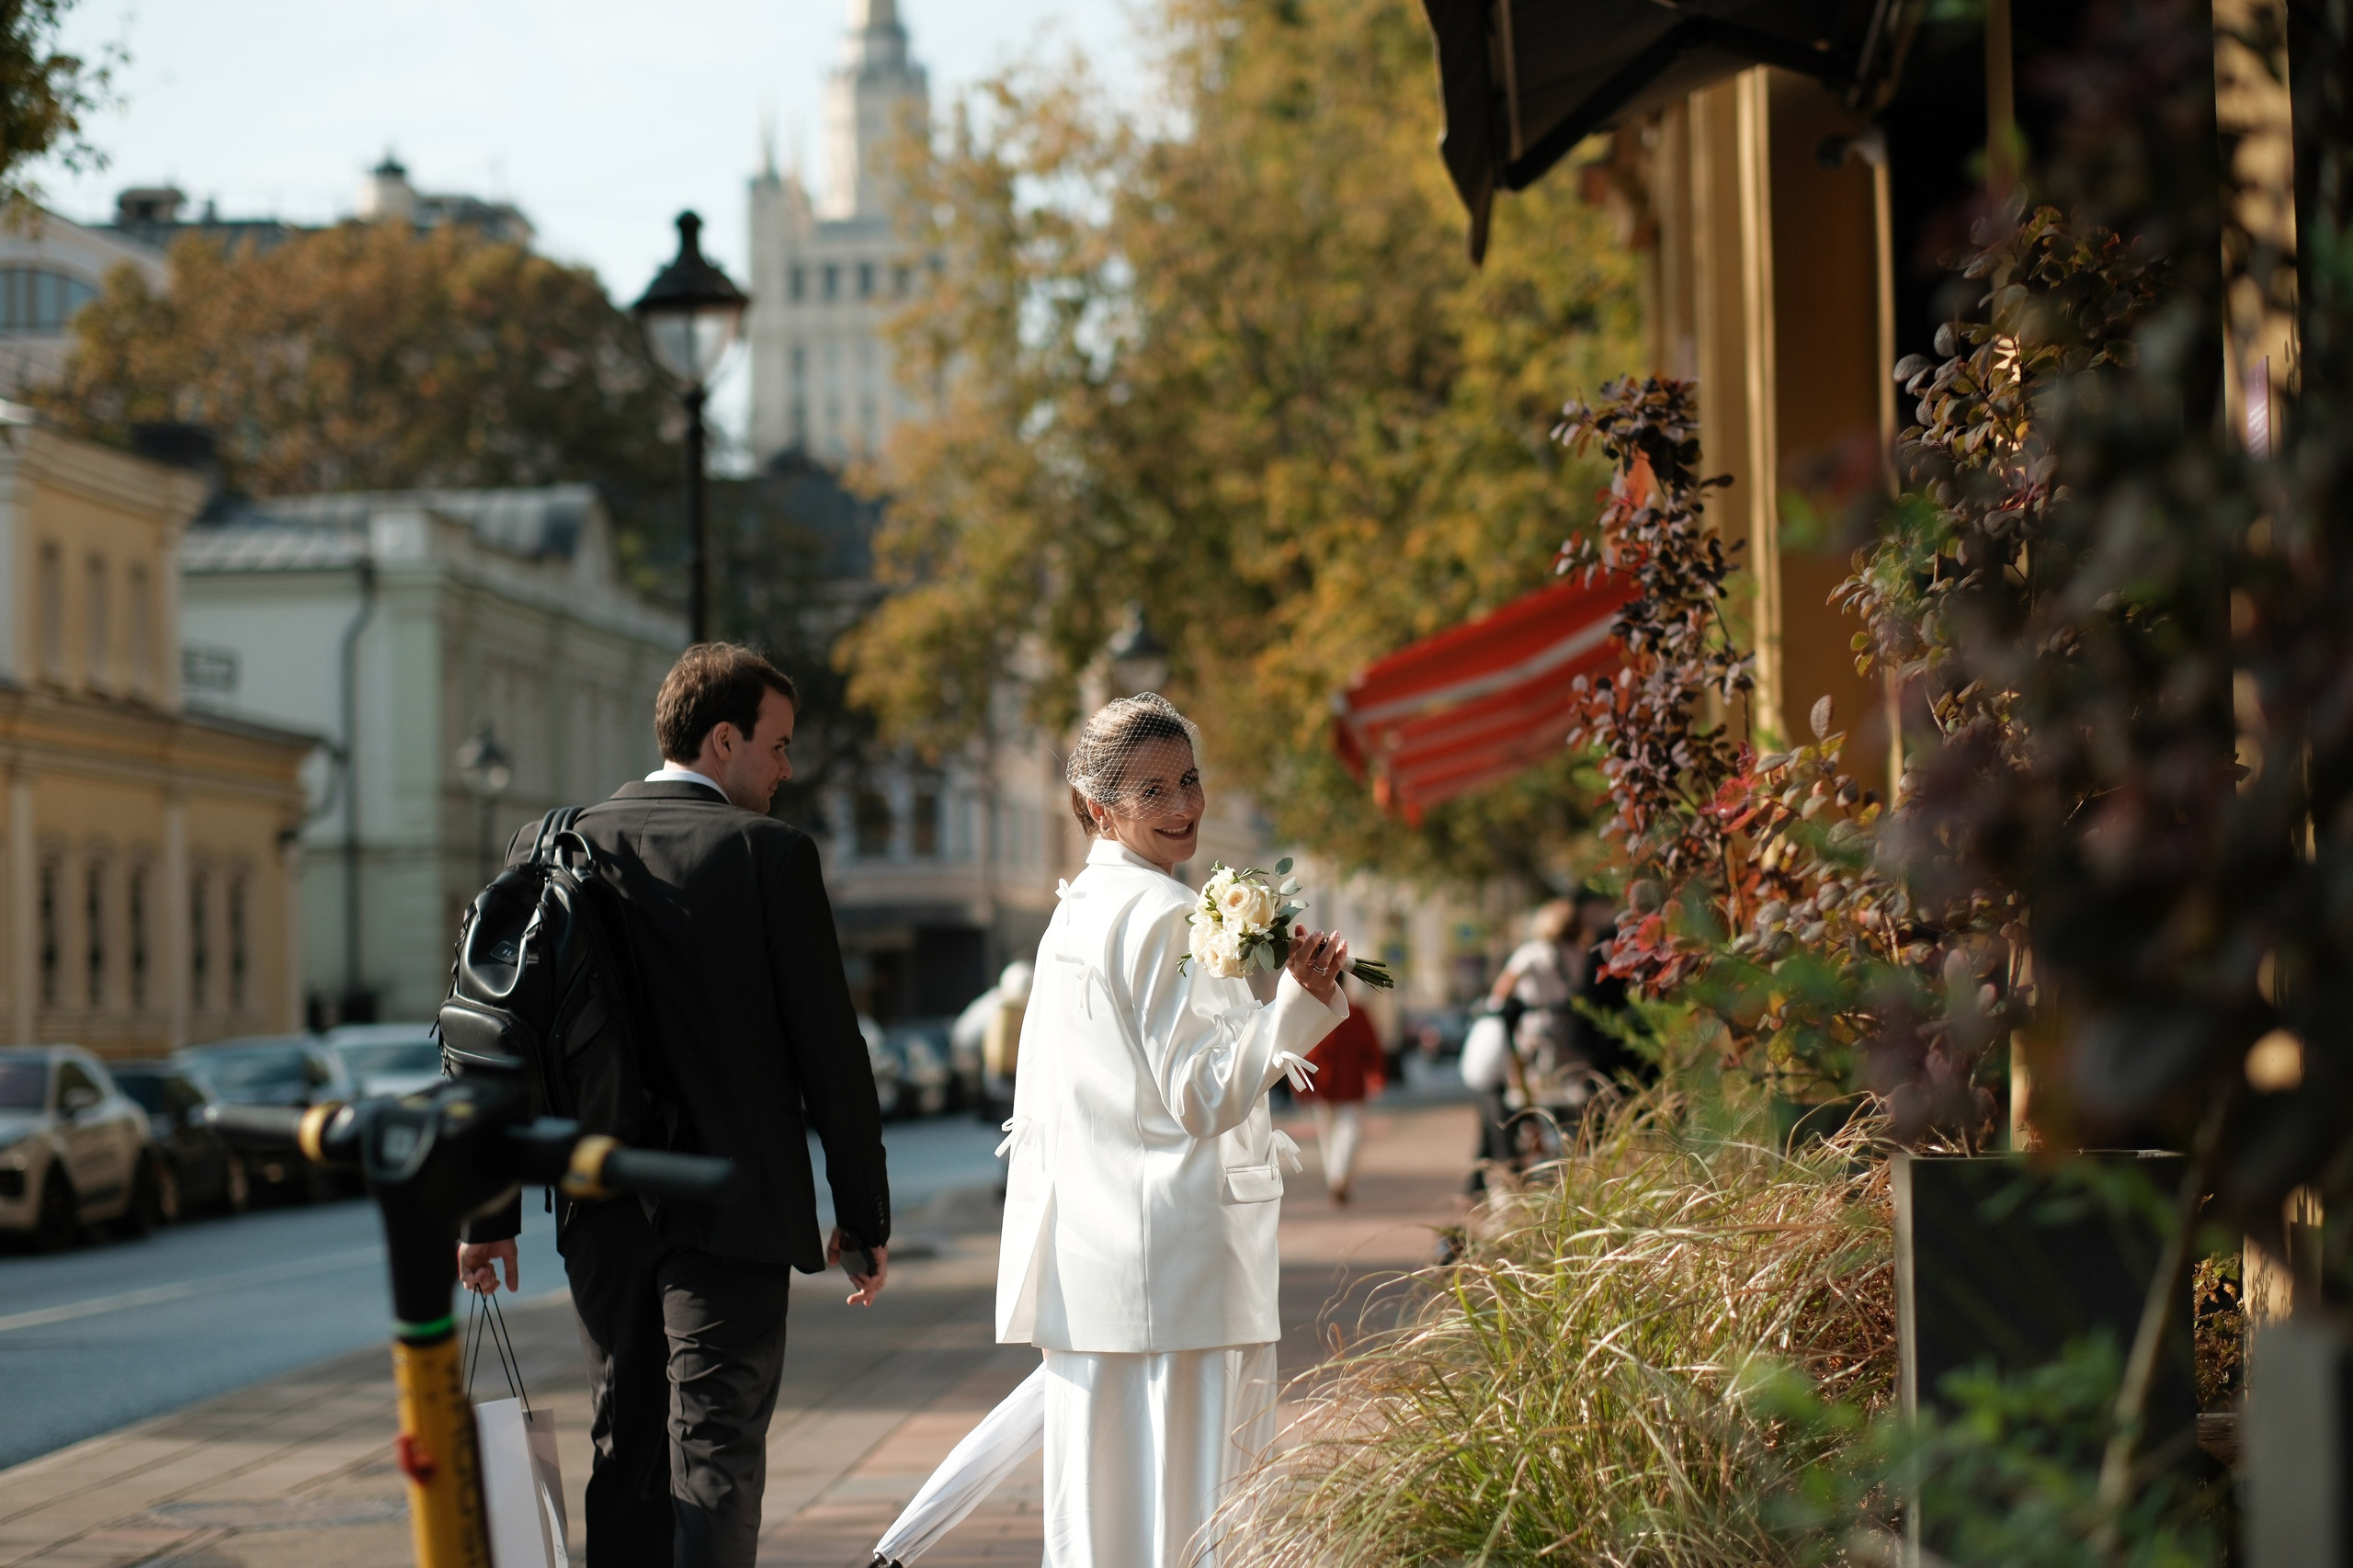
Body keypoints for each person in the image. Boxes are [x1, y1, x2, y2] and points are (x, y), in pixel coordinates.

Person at [456, 642, 891, 1568]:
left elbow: (500, 1038)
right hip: (734, 1210)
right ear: (723, 737)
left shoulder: (552, 845)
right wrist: (860, 1214)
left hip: (600, 1204)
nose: (785, 767)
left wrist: (487, 1214)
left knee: (626, 1445)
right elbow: (831, 1054)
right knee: (717, 1450)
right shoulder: (768, 854)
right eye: (776, 745)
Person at [997, 694, 1351, 1567]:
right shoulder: (1159, 914)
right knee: (1203, 1523)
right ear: (1096, 809)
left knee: (1103, 1526)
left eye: (1189, 780)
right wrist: (1295, 1008)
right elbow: (1198, 1094)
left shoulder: (1074, 914)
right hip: (1183, 1271)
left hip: (1098, 1268)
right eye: (1152, 791)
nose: (1184, 806)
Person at [1302, 977, 1386, 1204]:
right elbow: (1373, 1047)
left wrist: (1302, 1086)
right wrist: (1376, 1073)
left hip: (1325, 1084)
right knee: (1346, 1133)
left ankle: (1337, 1179)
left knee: (1330, 1136)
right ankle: (1338, 1179)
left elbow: (1304, 1051)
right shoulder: (1355, 1012)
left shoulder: (1315, 1013)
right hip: (1345, 1084)